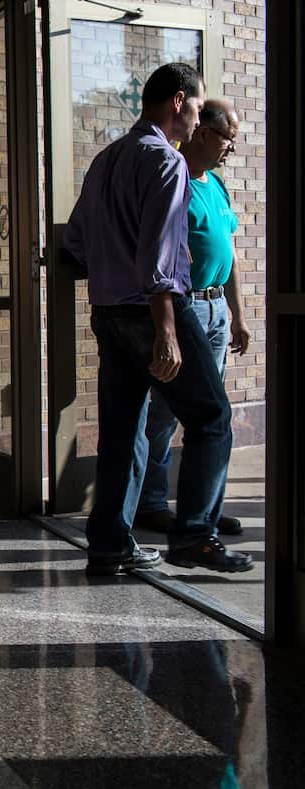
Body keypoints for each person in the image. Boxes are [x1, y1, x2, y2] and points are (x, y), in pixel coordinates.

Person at [64, 63, 252, 575]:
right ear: (177, 102)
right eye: (197, 107)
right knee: (212, 418)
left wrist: (110, 269)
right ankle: (195, 536)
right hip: (152, 314)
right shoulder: (166, 162)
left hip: (109, 314)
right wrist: (166, 330)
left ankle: (108, 546)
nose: (198, 119)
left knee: (124, 431)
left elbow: (75, 241)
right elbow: (162, 256)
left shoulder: (105, 160)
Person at [135, 99, 247, 537]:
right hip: (186, 306)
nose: (229, 149)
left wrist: (237, 314)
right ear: (203, 132)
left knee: (212, 412)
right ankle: (152, 502)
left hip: (216, 307)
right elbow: (161, 249)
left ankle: (203, 509)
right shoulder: (176, 177)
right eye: (227, 139)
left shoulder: (216, 185)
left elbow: (230, 253)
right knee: (166, 410)